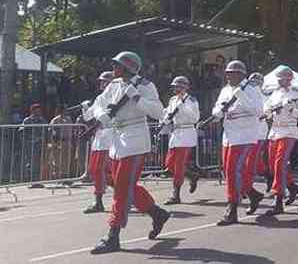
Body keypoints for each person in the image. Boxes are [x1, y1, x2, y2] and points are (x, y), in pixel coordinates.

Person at [86, 51, 169, 254]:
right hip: (117, 139)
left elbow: (159, 112)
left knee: (122, 189)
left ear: (129, 67)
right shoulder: (114, 85)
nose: (113, 68)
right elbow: (99, 104)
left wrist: (138, 98)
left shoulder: (146, 86)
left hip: (134, 141)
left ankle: (113, 235)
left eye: (118, 65)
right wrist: (102, 114)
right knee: (123, 184)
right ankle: (156, 212)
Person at [209, 60, 266, 225]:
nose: (228, 75)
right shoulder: (225, 90)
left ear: (241, 75)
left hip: (245, 134)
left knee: (233, 170)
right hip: (229, 134)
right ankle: (253, 194)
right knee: (228, 172)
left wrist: (241, 96)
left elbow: (258, 111)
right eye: (227, 73)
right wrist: (219, 112)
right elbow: (217, 108)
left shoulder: (251, 89)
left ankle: (232, 208)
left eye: (232, 73)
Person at [262, 65, 298, 215]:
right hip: (275, 130)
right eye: (279, 77)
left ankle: (278, 199)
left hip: (289, 130)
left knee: (279, 163)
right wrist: (269, 111)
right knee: (272, 165)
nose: (281, 80)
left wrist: (291, 109)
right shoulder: (274, 93)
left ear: (290, 78)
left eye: (284, 77)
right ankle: (292, 186)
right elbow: (267, 111)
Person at [160, 76, 200, 205]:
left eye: (180, 87)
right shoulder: (173, 100)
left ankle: (175, 194)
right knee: (169, 164)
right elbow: (168, 114)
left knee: (178, 165)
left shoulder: (191, 100)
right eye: (175, 87)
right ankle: (191, 176)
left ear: (186, 87)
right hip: (176, 133)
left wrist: (182, 106)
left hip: (186, 133)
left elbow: (195, 118)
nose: (177, 89)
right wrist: (165, 119)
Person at [82, 71, 115, 213]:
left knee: (101, 170)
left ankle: (99, 202)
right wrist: (85, 106)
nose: (102, 84)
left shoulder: (116, 97)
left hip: (110, 136)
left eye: (105, 81)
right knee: (96, 170)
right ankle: (128, 193)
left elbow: (107, 117)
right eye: (101, 82)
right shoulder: (100, 98)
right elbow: (88, 117)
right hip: (100, 137)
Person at [21, 104, 48, 188]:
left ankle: (37, 181)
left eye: (39, 110)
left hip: (40, 144)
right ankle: (32, 181)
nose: (38, 111)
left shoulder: (42, 120)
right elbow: (22, 131)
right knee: (31, 163)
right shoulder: (27, 120)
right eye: (36, 110)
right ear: (32, 111)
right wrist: (30, 138)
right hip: (30, 144)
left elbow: (47, 130)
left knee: (39, 163)